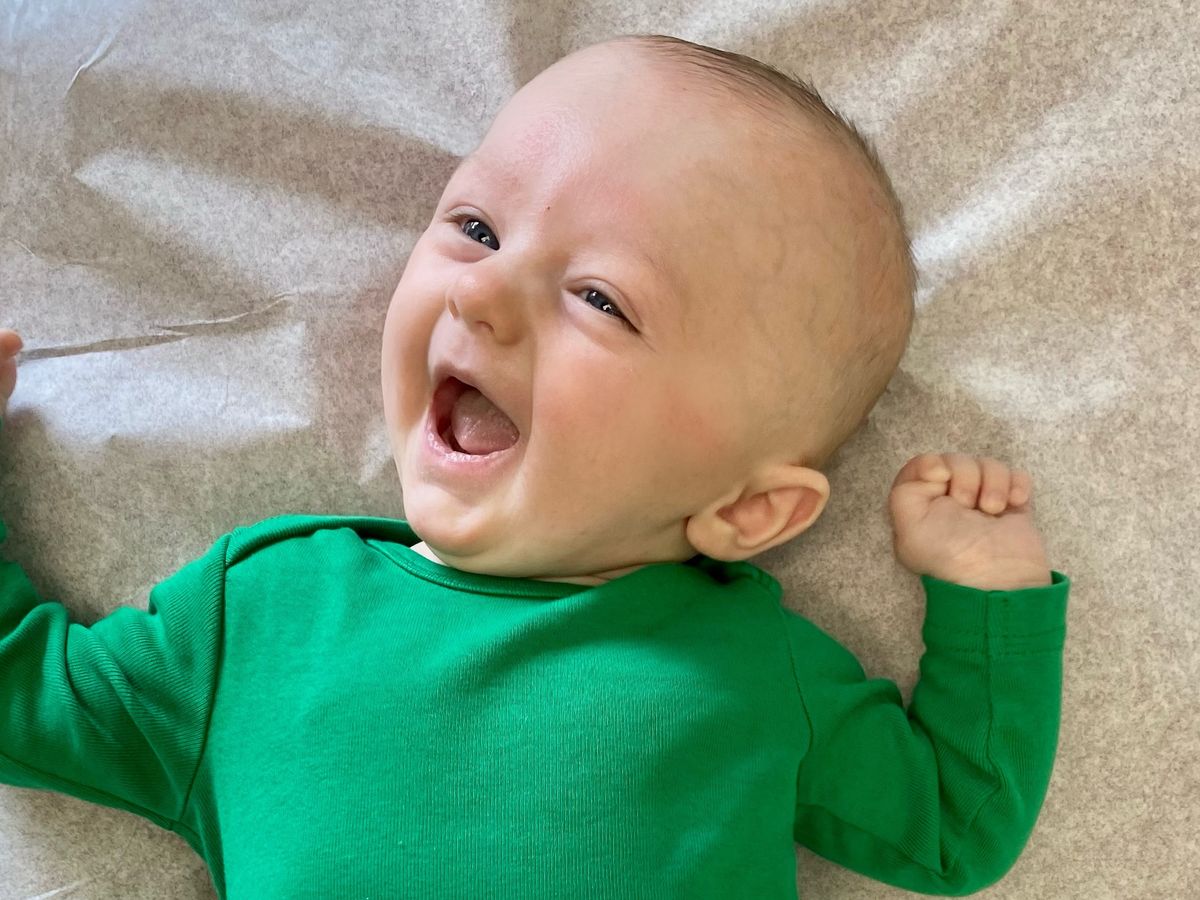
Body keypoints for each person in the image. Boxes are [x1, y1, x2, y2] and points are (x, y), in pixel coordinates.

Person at [0, 33, 1069, 899]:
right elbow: (21, 695)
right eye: (476, 227)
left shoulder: (752, 667)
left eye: (601, 297)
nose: (481, 291)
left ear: (750, 509)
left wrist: (987, 601)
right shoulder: (264, 617)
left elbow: (953, 830)